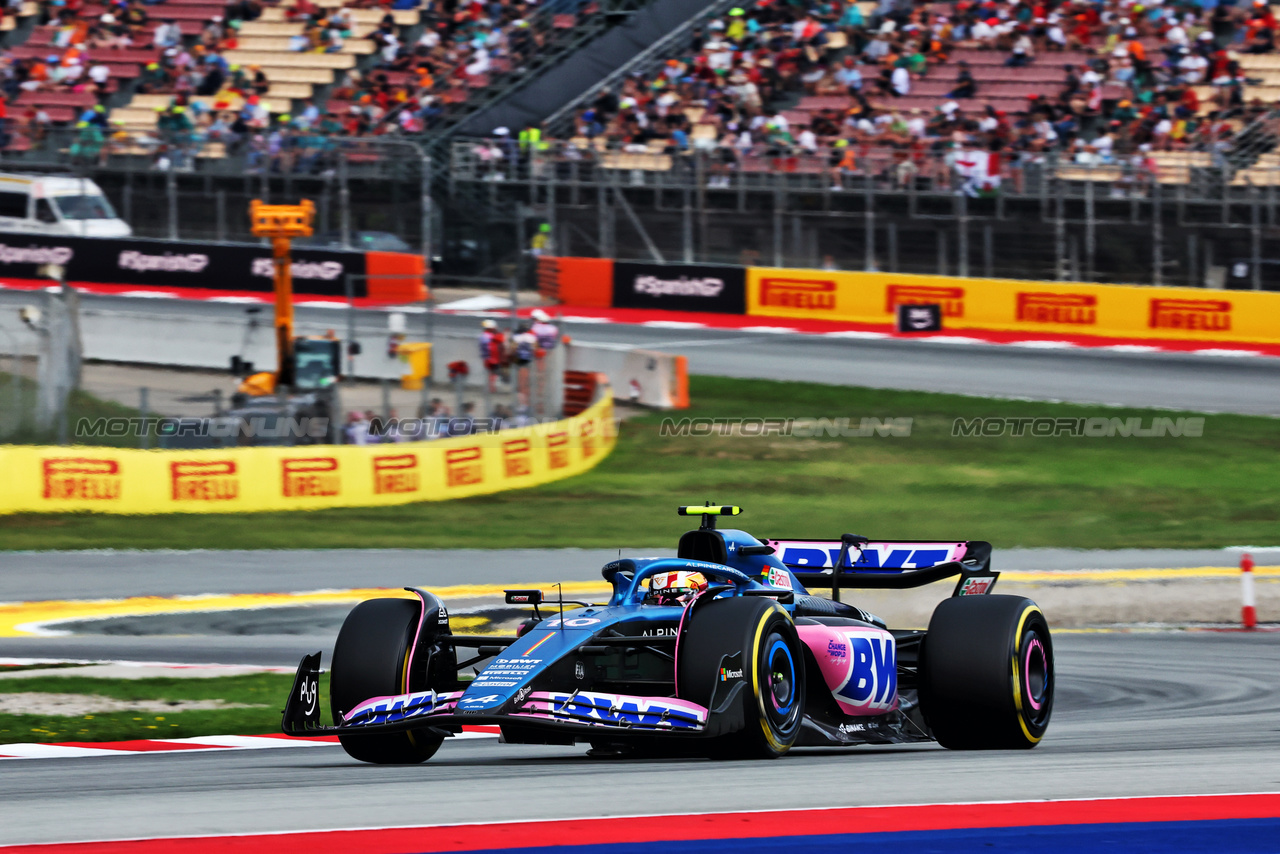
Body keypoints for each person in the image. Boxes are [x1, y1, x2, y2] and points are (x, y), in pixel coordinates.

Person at [479, 318, 506, 392]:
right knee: (494, 372)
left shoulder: (483, 336)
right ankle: (492, 388)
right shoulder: (491, 336)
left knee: (490, 372)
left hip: (486, 358)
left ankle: (491, 387)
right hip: (493, 358)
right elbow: (501, 339)